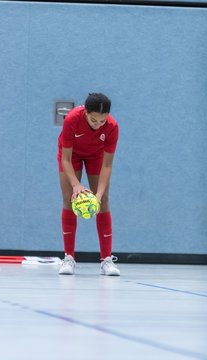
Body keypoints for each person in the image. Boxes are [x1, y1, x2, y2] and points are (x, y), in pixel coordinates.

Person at [57, 93, 120, 276]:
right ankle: (69, 257)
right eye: (93, 120)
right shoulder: (72, 120)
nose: (98, 124)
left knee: (104, 201)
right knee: (69, 199)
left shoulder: (112, 127)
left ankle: (106, 260)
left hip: (96, 156)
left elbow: (107, 165)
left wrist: (98, 194)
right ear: (85, 112)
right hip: (71, 156)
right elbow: (66, 160)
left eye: (102, 121)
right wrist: (76, 185)